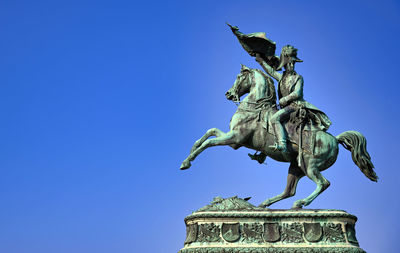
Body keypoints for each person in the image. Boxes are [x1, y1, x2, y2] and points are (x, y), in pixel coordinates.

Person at [255, 45, 331, 154]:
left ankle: (282, 144)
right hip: (285, 107)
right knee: (266, 121)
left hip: (295, 106)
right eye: (288, 64)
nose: (290, 66)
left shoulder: (298, 78)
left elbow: (297, 93)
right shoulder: (282, 77)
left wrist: (285, 99)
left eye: (292, 63)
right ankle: (264, 152)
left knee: (274, 119)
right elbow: (271, 71)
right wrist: (260, 60)